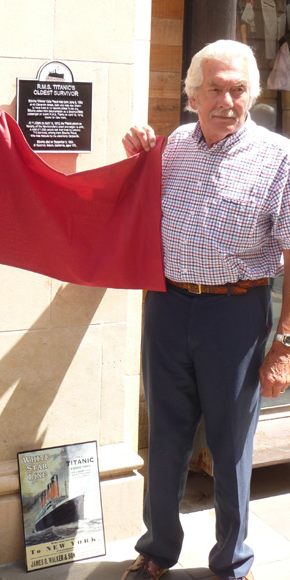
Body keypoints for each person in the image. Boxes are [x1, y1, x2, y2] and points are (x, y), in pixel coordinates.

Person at [121, 39, 290, 580]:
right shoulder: (173, 146)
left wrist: (284, 345)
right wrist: (136, 159)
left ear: (251, 96)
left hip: (235, 316)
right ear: (192, 95)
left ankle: (231, 561)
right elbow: (133, 208)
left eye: (238, 89)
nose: (226, 100)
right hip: (167, 307)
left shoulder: (278, 157)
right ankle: (157, 549)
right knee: (166, 437)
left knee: (231, 444)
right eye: (214, 88)